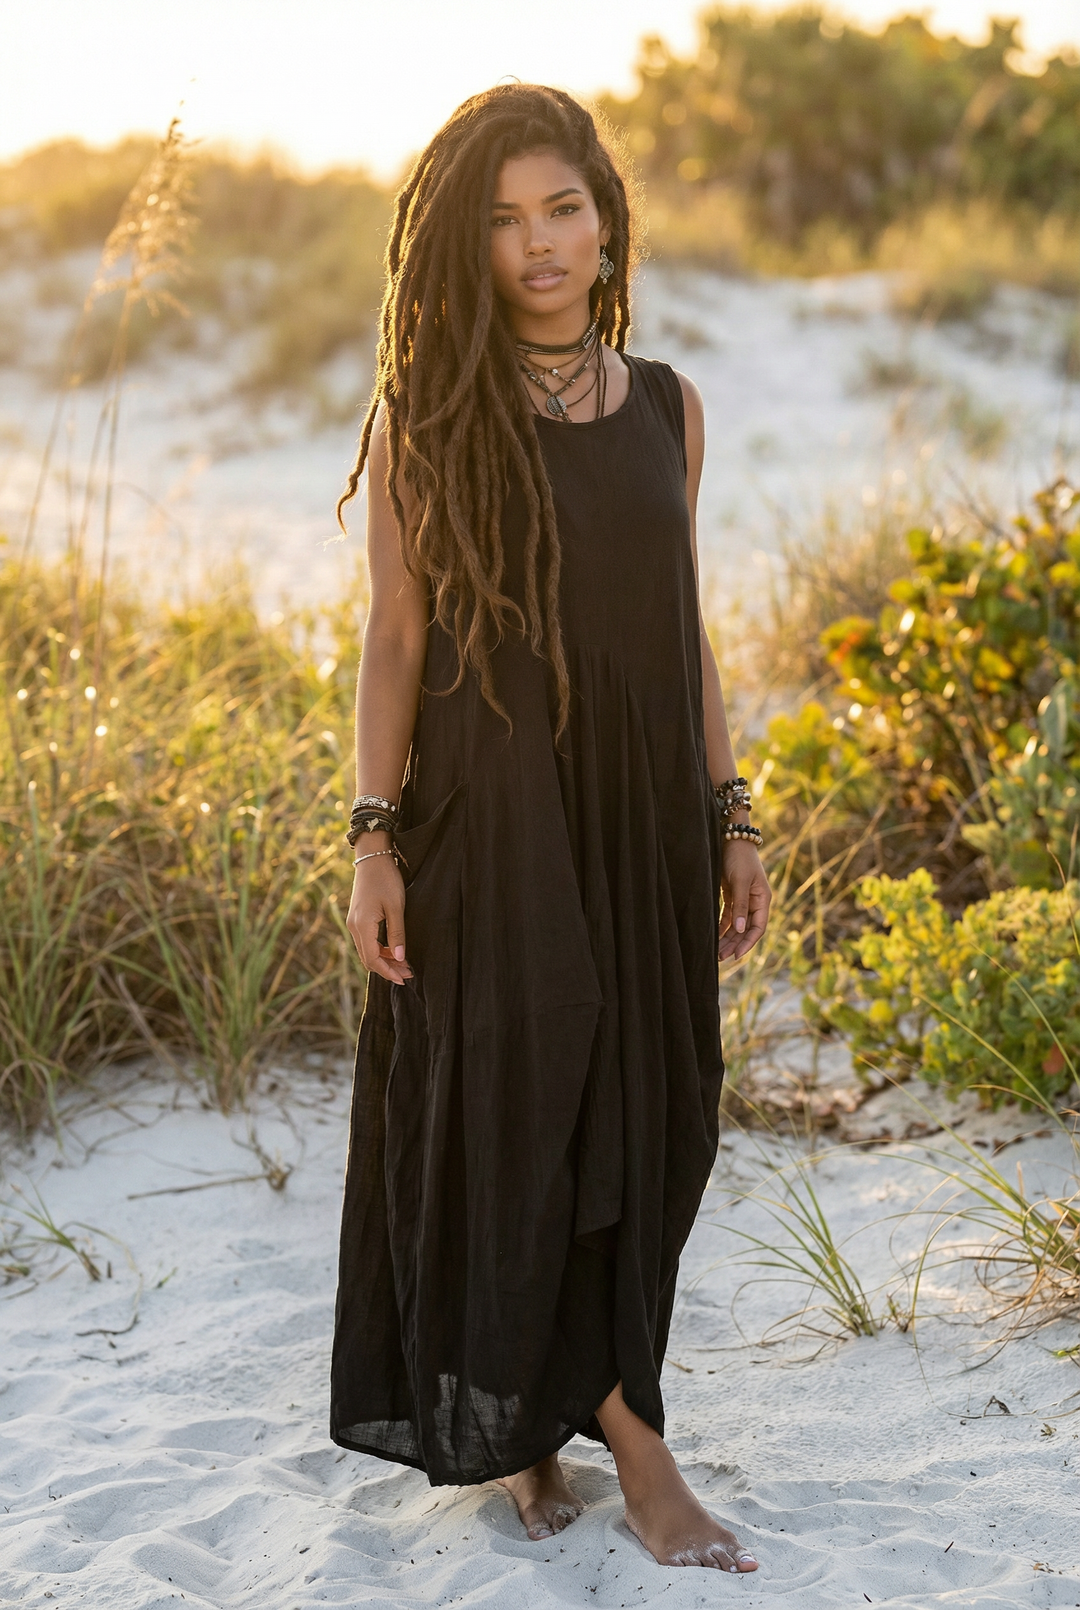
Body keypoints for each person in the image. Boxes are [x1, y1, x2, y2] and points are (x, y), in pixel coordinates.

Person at [330, 83, 771, 1574]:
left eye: (562, 209)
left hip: (644, 813)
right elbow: (396, 640)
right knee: (539, 1110)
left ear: (606, 217)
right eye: (505, 219)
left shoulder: (666, 406)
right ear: (466, 242)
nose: (538, 245)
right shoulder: (428, 415)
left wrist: (734, 814)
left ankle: (535, 1421)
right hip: (494, 820)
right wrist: (374, 838)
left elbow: (688, 630)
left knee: (663, 1112)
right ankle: (635, 1445)